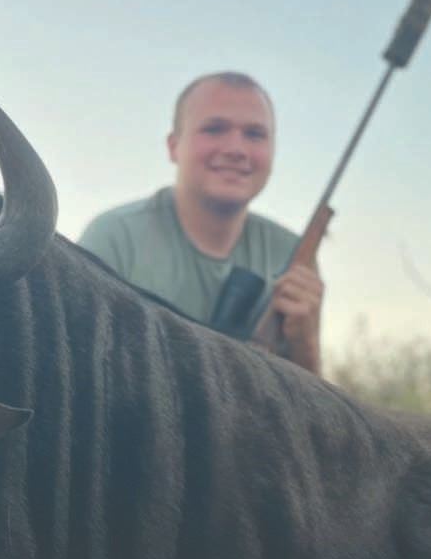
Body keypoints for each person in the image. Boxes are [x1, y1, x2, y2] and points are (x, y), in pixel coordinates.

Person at [79, 71, 325, 373]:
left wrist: (306, 345)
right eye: (214, 129)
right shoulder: (113, 237)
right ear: (173, 146)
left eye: (255, 134)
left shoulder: (292, 253)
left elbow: (308, 395)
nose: (236, 149)